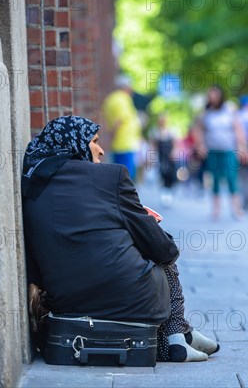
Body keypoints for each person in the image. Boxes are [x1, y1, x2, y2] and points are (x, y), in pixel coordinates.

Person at [22, 115, 219, 362]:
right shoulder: (111, 176)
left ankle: (183, 337)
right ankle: (177, 333)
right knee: (159, 249)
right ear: (74, 144)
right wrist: (148, 223)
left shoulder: (31, 187)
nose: (102, 150)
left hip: (67, 304)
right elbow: (164, 250)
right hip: (133, 296)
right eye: (94, 141)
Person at [194, 86, 246, 220]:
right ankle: (216, 211)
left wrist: (242, 147)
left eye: (215, 95)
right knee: (214, 180)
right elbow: (198, 130)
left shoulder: (229, 110)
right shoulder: (206, 114)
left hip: (228, 150)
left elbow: (238, 129)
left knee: (231, 178)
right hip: (213, 151)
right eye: (210, 95)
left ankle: (237, 209)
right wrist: (200, 145)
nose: (212, 98)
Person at [101, 75, 142, 180]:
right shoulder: (122, 99)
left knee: (118, 175)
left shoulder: (111, 99)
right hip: (125, 144)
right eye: (130, 87)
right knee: (126, 176)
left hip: (119, 144)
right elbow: (119, 121)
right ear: (125, 87)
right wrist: (113, 137)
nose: (131, 90)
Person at [150, 113, 177, 207]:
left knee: (170, 175)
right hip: (161, 157)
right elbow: (153, 146)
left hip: (170, 157)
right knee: (162, 174)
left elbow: (175, 144)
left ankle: (169, 193)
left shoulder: (171, 131)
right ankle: (164, 194)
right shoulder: (155, 132)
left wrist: (174, 153)